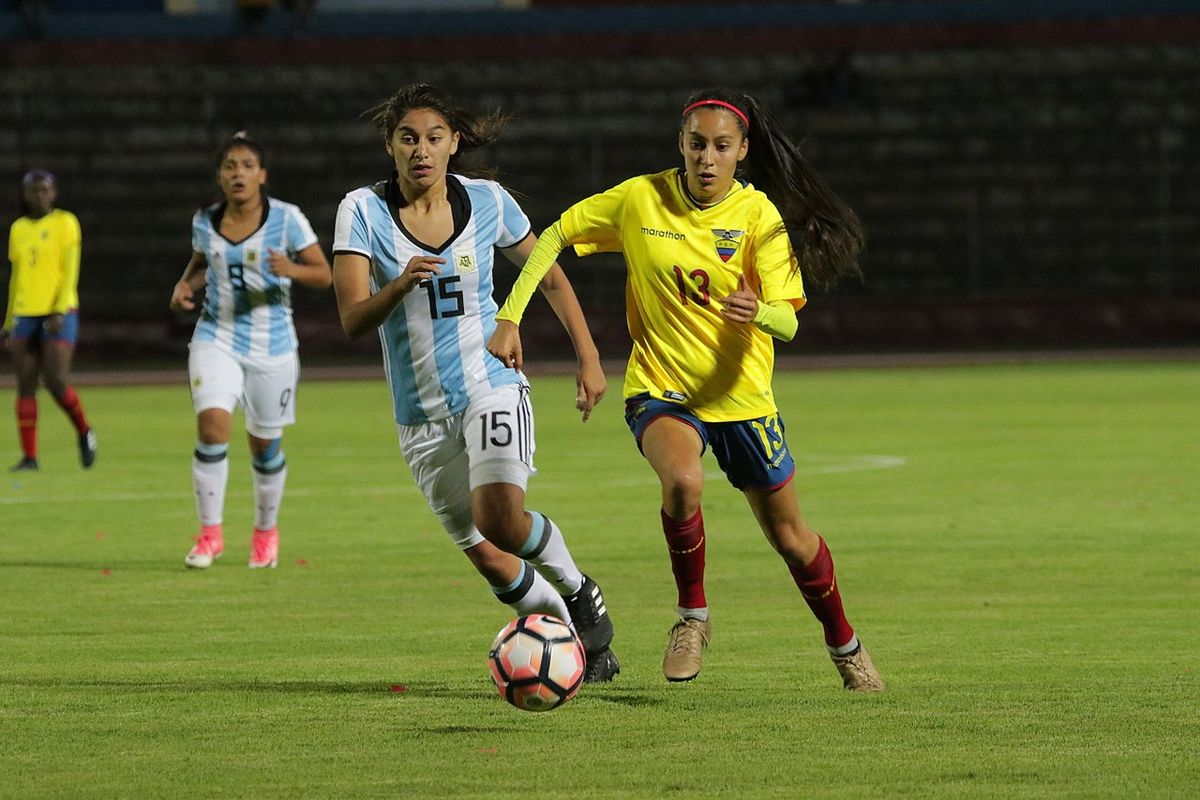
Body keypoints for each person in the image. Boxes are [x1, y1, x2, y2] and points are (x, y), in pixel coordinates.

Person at [488, 88, 884, 692]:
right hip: (661, 389)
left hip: (743, 401)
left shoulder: (759, 218)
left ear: (742, 152)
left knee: (793, 541)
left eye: (721, 147)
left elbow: (791, 321)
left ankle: (845, 645)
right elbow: (555, 235)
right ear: (681, 143)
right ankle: (692, 618)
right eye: (696, 144)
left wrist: (761, 312)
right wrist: (511, 314)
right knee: (682, 480)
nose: (707, 157)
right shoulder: (639, 199)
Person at [331, 84, 618, 682]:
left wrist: (589, 357)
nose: (421, 150)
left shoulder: (487, 201)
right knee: (489, 556)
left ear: (454, 143)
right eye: (408, 138)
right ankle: (575, 647)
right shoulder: (360, 210)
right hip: (419, 412)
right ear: (390, 145)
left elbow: (551, 276)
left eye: (434, 138)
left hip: (489, 382)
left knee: (501, 518)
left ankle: (580, 594)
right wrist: (398, 285)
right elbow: (353, 320)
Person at [169, 132, 331, 569]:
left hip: (273, 346)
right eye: (229, 166)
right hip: (215, 337)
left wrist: (291, 269)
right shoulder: (204, 220)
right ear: (219, 176)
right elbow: (203, 259)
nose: (237, 173)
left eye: (246, 165)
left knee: (264, 446)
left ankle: (265, 533)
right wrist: (186, 284)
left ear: (262, 175)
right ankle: (209, 536)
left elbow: (325, 273)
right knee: (212, 427)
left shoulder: (286, 219)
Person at [2, 169, 96, 473]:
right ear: (25, 194)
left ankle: (84, 431)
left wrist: (59, 309)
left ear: (53, 193)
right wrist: (7, 321)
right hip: (25, 312)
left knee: (55, 380)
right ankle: (30, 457)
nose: (40, 195)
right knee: (25, 384)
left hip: (59, 310)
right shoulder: (18, 229)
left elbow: (70, 270)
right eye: (34, 190)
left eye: (45, 190)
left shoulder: (65, 222)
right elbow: (16, 278)